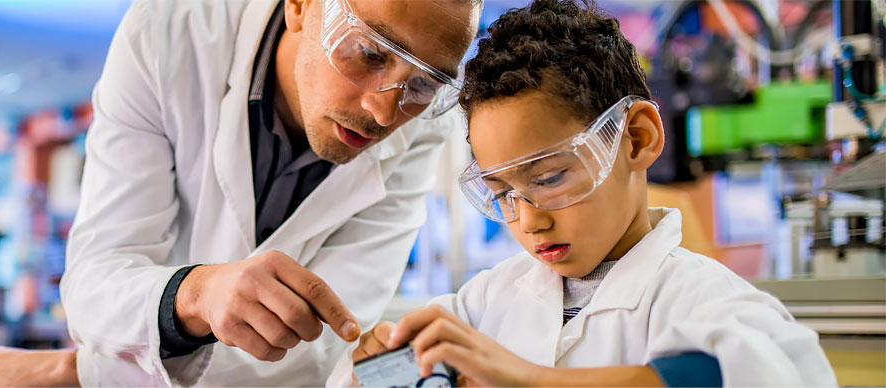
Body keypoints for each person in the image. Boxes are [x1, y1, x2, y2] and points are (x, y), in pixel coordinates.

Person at [330, 0, 839, 386]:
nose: (529, 221)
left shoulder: (699, 297)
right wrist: (377, 365)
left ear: (636, 138)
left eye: (549, 179)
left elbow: (747, 370)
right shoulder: (486, 301)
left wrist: (524, 377)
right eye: (503, 192)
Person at [0, 0, 481, 386]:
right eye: (369, 52)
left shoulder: (424, 129)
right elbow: (94, 286)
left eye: (424, 83)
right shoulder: (169, 34)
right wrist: (196, 296)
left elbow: (317, 342)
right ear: (301, 6)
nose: (384, 111)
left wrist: (80, 373)